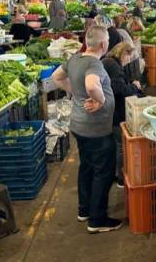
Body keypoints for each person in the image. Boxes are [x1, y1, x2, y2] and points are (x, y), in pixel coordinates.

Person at [51, 26, 121, 233]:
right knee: (103, 172)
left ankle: (84, 210)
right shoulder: (94, 64)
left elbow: (57, 77)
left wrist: (75, 92)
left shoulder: (75, 59)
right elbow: (91, 86)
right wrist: (99, 100)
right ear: (103, 44)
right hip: (96, 129)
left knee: (87, 167)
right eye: (107, 39)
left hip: (79, 126)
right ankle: (97, 219)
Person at [101, 42, 142, 188]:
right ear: (124, 53)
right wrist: (134, 86)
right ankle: (120, 178)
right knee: (119, 145)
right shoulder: (114, 65)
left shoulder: (107, 61)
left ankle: (112, 174)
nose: (127, 63)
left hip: (106, 110)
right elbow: (119, 88)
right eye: (128, 59)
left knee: (112, 144)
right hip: (115, 111)